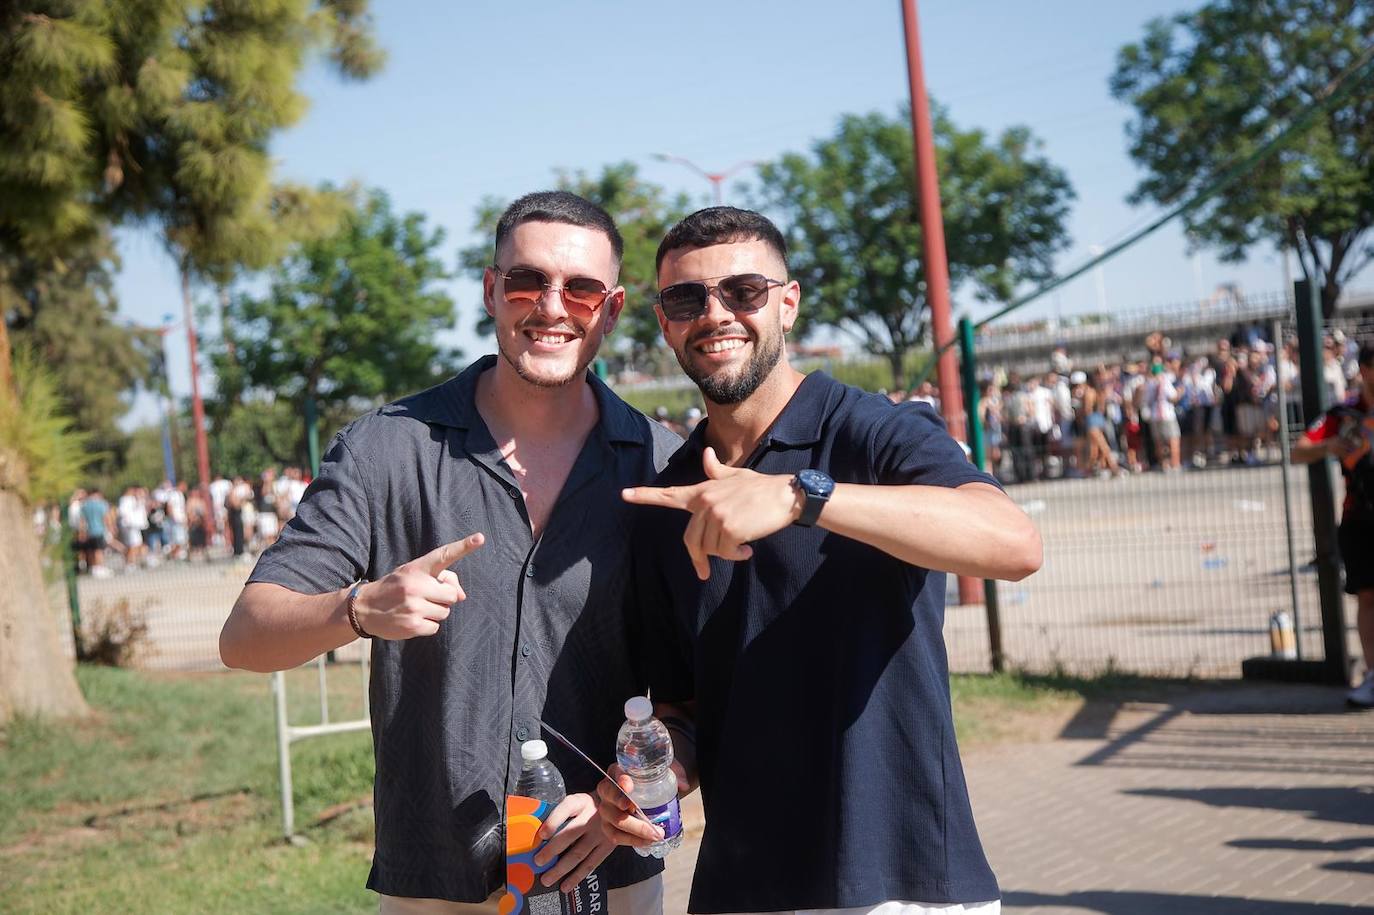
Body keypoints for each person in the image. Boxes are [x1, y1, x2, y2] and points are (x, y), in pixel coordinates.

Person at [219, 191, 678, 912]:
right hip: (438, 882)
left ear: (612, 309)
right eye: (527, 281)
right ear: (492, 290)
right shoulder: (386, 448)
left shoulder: (662, 462)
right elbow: (245, 635)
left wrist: (632, 787)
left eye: (581, 289)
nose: (552, 306)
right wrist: (360, 607)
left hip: (607, 878)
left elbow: (708, 678)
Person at [598, 207, 1043, 914]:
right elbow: (684, 701)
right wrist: (657, 767)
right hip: (742, 888)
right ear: (664, 324)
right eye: (688, 299)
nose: (716, 315)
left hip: (900, 883)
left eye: (743, 291)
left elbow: (1014, 543)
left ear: (788, 302)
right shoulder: (675, 494)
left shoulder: (873, 429)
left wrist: (803, 495)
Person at [1292, 341, 1374, 708]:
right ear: (1366, 371)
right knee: (1369, 599)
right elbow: (1297, 450)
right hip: (1360, 518)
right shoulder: (1344, 414)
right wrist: (1331, 447)